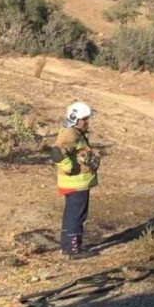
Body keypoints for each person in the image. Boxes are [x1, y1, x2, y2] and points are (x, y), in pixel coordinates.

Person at [50, 102, 99, 259]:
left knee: (71, 214)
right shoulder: (71, 134)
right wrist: (69, 167)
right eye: (84, 119)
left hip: (76, 182)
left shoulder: (75, 131)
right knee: (76, 216)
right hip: (76, 182)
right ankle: (73, 250)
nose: (87, 121)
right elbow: (57, 152)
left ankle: (67, 247)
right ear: (75, 119)